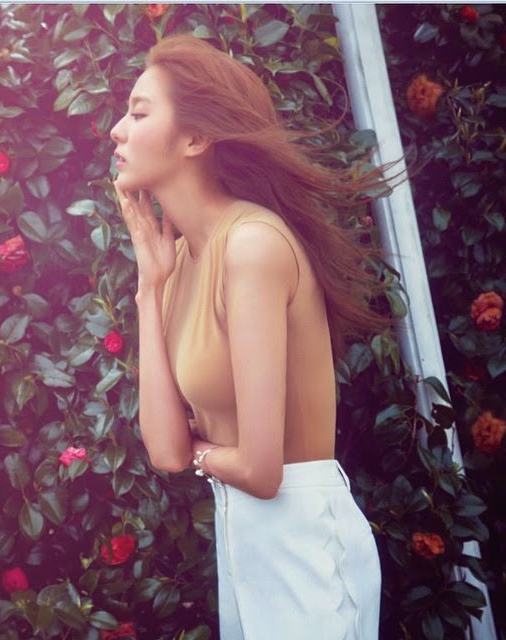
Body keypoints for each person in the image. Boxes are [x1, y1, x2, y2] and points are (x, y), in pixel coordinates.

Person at [110, 33, 385, 640]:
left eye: (139, 113)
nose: (117, 131)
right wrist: (149, 288)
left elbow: (262, 471)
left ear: (195, 138)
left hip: (304, 547)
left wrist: (201, 454)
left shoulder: (252, 245)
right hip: (244, 544)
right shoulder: (180, 263)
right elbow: (166, 452)